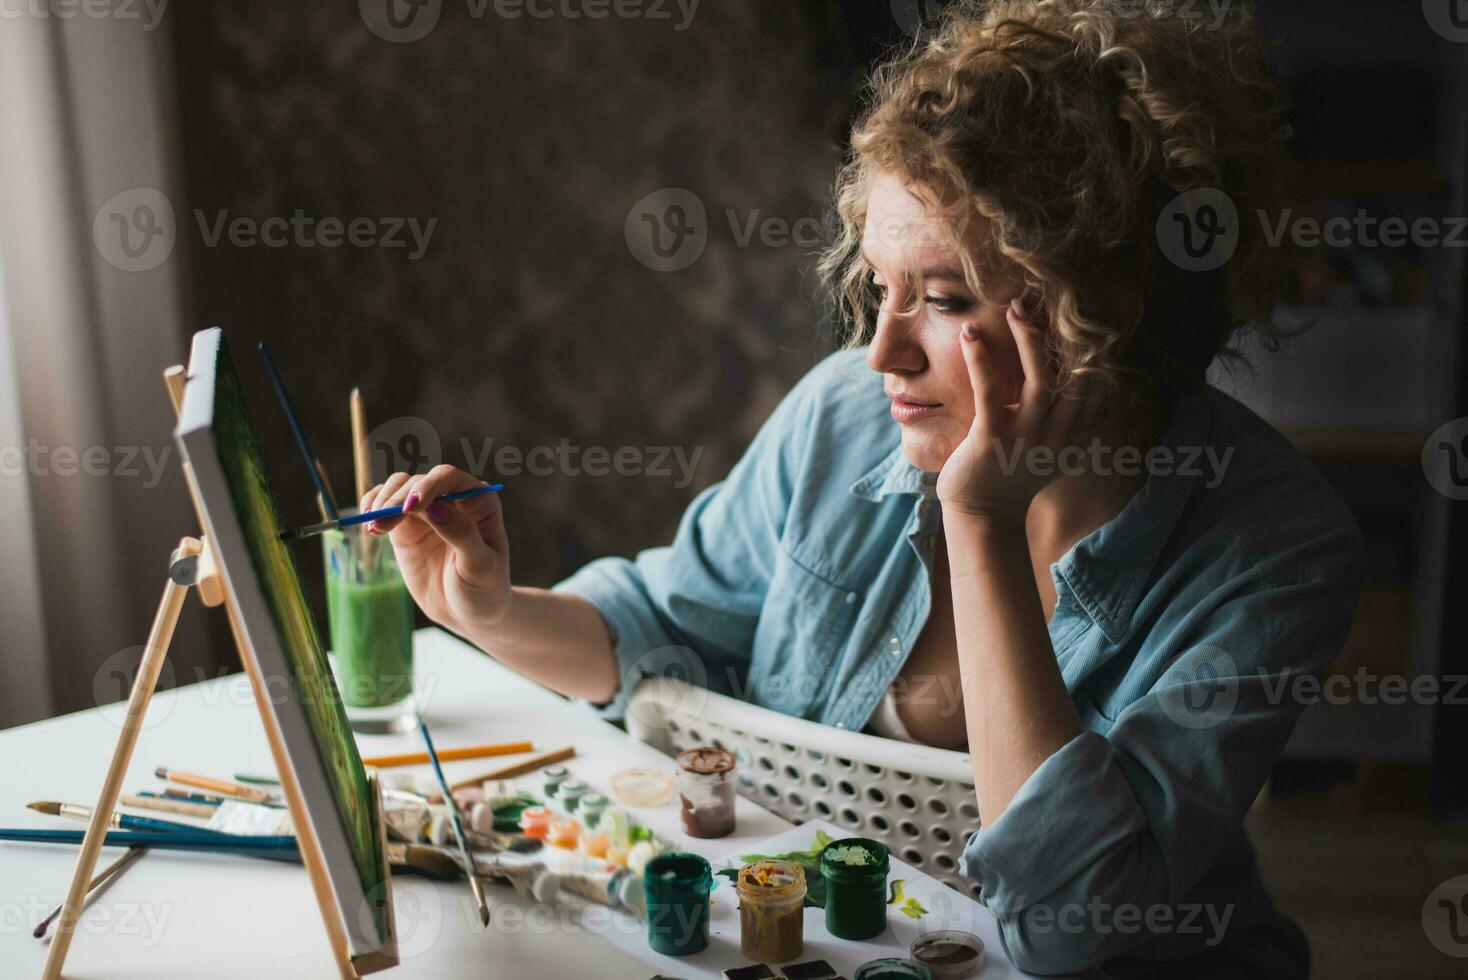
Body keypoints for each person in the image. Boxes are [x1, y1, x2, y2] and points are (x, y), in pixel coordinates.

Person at [362, 2, 1360, 974]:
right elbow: (671, 623)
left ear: (1098, 313)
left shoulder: (1274, 552)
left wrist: (979, 521)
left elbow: (1074, 923)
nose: (881, 350)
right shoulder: (846, 412)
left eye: (943, 300)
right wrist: (489, 610)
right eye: (879, 287)